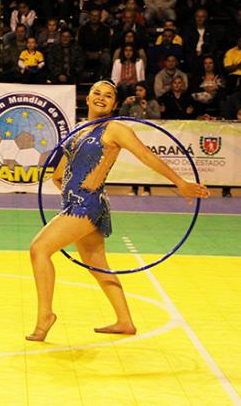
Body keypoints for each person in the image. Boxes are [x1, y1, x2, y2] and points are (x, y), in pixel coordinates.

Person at [27, 80, 209, 341]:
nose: (101, 97)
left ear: (114, 104)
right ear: (87, 99)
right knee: (97, 265)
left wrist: (180, 183)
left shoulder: (115, 129)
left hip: (86, 205)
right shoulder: (78, 129)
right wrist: (63, 181)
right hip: (72, 202)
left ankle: (46, 315)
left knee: (39, 249)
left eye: (109, 95)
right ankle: (125, 321)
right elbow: (59, 173)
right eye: (97, 93)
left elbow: (146, 156)